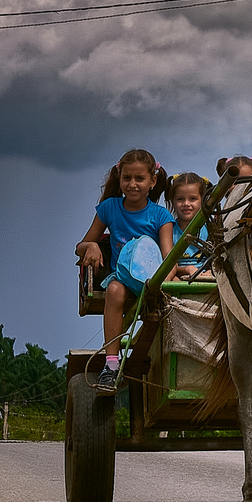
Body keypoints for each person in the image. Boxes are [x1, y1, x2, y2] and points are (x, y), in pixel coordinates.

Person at [76, 149, 175, 394]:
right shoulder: (109, 208)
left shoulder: (160, 215)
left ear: (152, 181)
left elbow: (169, 259)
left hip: (152, 282)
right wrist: (92, 246)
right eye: (127, 178)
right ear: (119, 178)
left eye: (139, 179)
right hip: (121, 278)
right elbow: (80, 246)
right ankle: (111, 364)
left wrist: (162, 284)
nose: (132, 184)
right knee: (114, 289)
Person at [166, 172, 211, 280]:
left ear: (203, 200)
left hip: (207, 279)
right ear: (173, 201)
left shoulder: (210, 229)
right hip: (177, 278)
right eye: (180, 199)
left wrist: (211, 271)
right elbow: (166, 264)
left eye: (193, 199)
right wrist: (188, 269)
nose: (186, 203)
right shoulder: (168, 230)